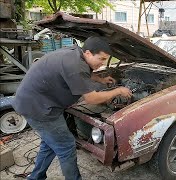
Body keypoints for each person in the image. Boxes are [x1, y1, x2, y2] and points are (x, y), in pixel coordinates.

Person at [12, 36, 132, 180]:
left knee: (50, 143)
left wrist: (100, 79)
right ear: (88, 53)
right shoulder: (75, 66)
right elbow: (91, 99)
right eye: (101, 59)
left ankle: (36, 177)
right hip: (39, 108)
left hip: (33, 101)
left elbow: (82, 75)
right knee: (66, 147)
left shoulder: (75, 53)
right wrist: (118, 91)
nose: (103, 63)